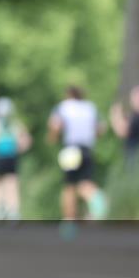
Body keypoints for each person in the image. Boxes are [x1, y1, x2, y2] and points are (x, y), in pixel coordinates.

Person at [48, 86, 107, 220]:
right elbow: (101, 128)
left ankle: (69, 220)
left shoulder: (64, 106)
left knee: (69, 186)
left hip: (71, 149)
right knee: (85, 182)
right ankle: (97, 199)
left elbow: (55, 125)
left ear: (68, 94)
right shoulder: (90, 107)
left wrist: (52, 138)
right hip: (87, 148)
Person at [0, 97, 30, 220]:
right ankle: (13, 210)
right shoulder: (15, 123)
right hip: (12, 157)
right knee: (12, 182)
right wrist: (18, 148)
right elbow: (26, 140)